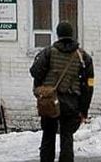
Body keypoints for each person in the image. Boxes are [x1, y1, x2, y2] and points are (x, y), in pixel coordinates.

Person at [30, 21, 95, 162]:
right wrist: (84, 110)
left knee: (48, 136)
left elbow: (35, 72)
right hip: (71, 103)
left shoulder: (48, 52)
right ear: (72, 35)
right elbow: (89, 86)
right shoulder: (83, 57)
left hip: (50, 102)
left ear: (58, 34)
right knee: (67, 138)